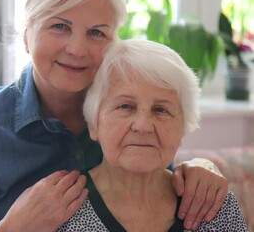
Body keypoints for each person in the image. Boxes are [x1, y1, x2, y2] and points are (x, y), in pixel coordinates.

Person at [0, 0, 228, 231]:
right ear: (27, 35)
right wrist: (15, 226)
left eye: (96, 32)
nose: (77, 49)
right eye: (59, 26)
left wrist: (199, 169)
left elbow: (157, 182)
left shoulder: (127, 111)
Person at [57, 39, 248, 231]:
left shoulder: (214, 207)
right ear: (93, 124)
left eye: (161, 110)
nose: (143, 126)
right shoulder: (60, 210)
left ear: (183, 128)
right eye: (125, 106)